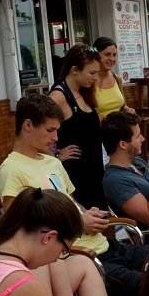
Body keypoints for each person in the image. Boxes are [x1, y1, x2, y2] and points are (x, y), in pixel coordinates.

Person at [0, 94, 137, 296]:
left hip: (99, 244)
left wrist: (86, 215)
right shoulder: (12, 170)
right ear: (28, 125)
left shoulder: (51, 162)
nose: (56, 137)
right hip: (77, 254)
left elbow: (70, 202)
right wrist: (79, 224)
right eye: (50, 130)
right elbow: (21, 230)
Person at [49, 44, 107, 209]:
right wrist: (56, 155)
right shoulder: (58, 97)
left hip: (94, 169)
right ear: (75, 70)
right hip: (76, 174)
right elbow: (39, 131)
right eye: (92, 73)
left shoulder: (84, 91)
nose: (95, 78)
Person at [93, 37, 136, 120]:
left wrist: (128, 110)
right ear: (96, 55)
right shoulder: (89, 81)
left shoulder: (117, 78)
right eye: (107, 54)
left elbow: (123, 105)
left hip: (119, 130)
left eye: (114, 55)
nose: (112, 59)